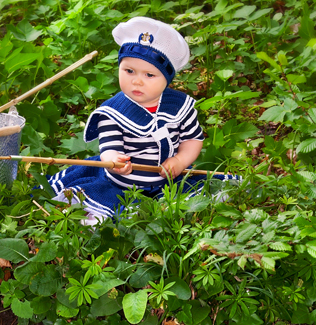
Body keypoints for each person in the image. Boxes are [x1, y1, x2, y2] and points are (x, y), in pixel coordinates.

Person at [49, 17, 220, 223]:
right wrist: (114, 161)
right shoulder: (114, 112)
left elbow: (192, 139)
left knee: (201, 195)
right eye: (129, 71)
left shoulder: (180, 106)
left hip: (169, 180)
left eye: (149, 75)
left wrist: (180, 160)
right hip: (123, 185)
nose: (137, 81)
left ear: (167, 80)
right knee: (108, 212)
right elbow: (109, 147)